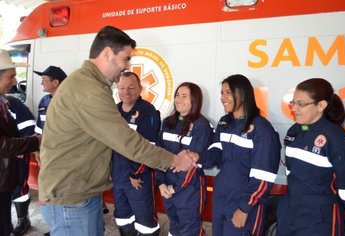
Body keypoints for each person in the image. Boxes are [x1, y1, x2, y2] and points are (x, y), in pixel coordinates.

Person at [38, 25, 197, 236]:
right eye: (125, 58)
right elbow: (127, 141)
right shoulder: (88, 91)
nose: (127, 65)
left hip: (81, 193)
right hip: (71, 200)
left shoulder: (90, 84)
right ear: (107, 54)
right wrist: (175, 161)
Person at [193, 74, 281, 235]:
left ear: (242, 93)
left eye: (228, 92)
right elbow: (216, 152)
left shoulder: (262, 129)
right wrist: (198, 157)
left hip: (243, 203)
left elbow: (263, 176)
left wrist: (245, 208)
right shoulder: (224, 122)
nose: (223, 98)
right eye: (221, 93)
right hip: (221, 199)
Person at [276, 78, 345, 236]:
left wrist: (327, 206)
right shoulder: (294, 131)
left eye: (301, 104)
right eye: (293, 102)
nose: (294, 108)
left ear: (321, 105)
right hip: (289, 212)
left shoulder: (335, 137)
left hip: (319, 219)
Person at [156, 82, 214, 236]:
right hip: (167, 187)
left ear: (194, 100)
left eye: (184, 96)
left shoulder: (201, 126)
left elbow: (193, 164)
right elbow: (158, 154)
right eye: (177, 95)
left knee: (190, 230)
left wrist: (175, 188)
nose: (179, 99)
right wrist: (161, 183)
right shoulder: (168, 122)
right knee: (174, 226)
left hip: (189, 191)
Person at [112, 71, 161, 236]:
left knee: (145, 221)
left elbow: (149, 148)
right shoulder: (113, 111)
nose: (126, 91)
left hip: (138, 177)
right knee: (122, 216)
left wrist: (135, 173)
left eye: (131, 87)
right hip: (118, 176)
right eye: (122, 87)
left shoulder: (148, 112)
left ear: (140, 89)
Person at [0, 49, 41, 236]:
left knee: (5, 225)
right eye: (11, 76)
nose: (15, 81)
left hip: (4, 180)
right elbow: (3, 145)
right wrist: (36, 142)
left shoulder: (5, 103)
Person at [7, 96, 36, 236]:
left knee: (19, 187)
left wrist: (21, 148)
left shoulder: (11, 103)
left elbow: (29, 125)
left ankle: (23, 220)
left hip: (15, 154)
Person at [33, 65, 67, 135]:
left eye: (43, 80)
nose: (41, 83)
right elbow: (39, 129)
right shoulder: (44, 100)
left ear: (55, 82)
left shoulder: (68, 102)